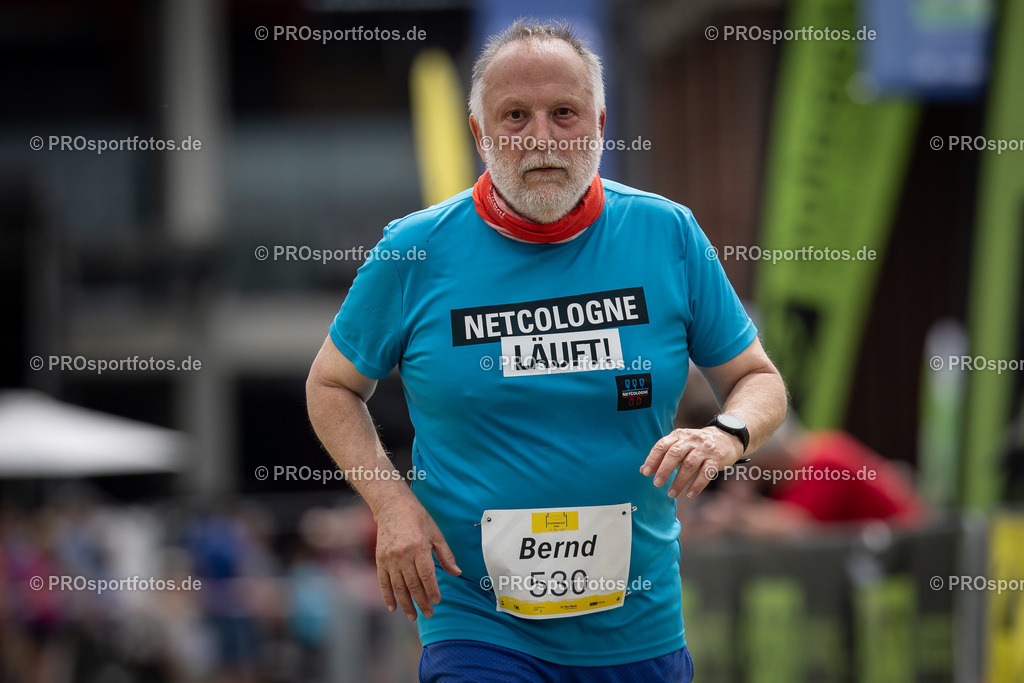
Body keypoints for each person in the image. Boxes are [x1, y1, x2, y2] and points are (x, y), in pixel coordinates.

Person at [306, 19, 786, 682]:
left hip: (637, 625)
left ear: (599, 123)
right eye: (514, 116)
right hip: (477, 620)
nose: (541, 138)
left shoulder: (666, 233)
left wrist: (725, 435)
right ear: (479, 133)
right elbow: (331, 385)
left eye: (564, 113)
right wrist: (391, 505)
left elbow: (758, 379)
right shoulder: (414, 251)